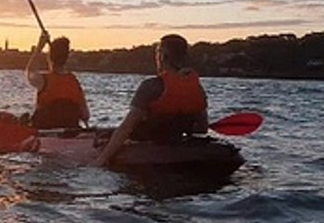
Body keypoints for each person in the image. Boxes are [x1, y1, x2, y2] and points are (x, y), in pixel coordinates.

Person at [93, 33, 208, 167]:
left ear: (162, 56)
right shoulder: (197, 87)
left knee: (103, 137)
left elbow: (126, 128)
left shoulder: (152, 85)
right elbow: (202, 129)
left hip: (148, 148)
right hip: (178, 146)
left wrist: (100, 160)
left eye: (157, 52)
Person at [25, 30, 90, 129]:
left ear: (49, 58)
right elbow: (85, 115)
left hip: (45, 131)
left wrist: (39, 47)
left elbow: (30, 72)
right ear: (67, 58)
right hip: (70, 131)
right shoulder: (74, 82)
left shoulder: (43, 80)